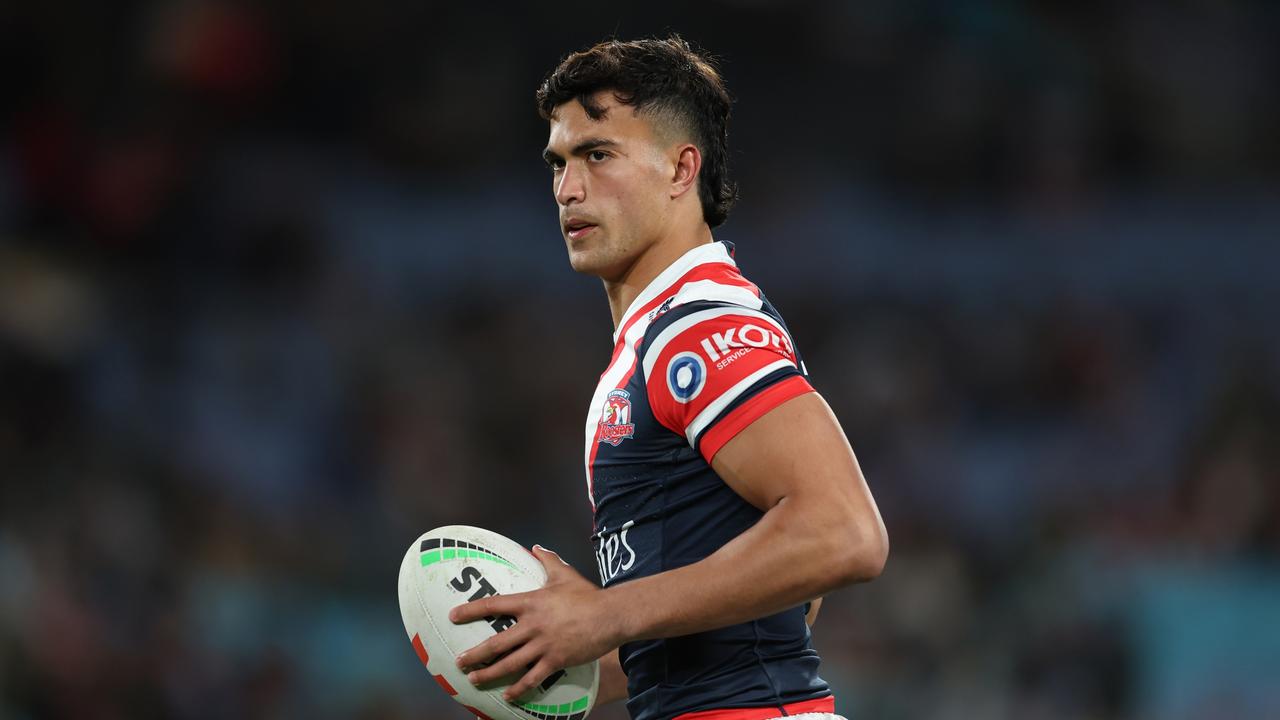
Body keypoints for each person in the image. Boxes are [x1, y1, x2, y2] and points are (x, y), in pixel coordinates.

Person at [451, 35, 888, 720]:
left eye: (599, 155)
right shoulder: (658, 335)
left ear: (682, 168)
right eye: (558, 162)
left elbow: (843, 534)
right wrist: (557, 659)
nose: (568, 188)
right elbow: (784, 607)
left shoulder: (698, 326)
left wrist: (605, 612)